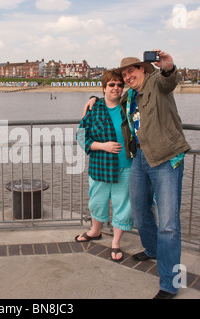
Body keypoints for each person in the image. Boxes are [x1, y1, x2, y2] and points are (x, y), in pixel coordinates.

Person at [83, 50, 191, 299]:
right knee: (139, 212)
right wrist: (93, 99)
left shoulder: (156, 82)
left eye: (132, 71)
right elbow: (110, 101)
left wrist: (169, 67)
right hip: (141, 158)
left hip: (166, 158)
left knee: (169, 225)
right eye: (124, 74)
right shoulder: (129, 96)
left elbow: (169, 80)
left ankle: (170, 283)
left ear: (143, 69)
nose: (127, 76)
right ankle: (152, 250)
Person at [74, 70, 133, 263]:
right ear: (104, 88)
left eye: (119, 85)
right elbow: (81, 136)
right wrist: (103, 146)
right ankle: (95, 231)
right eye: (111, 85)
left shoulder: (129, 107)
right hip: (100, 165)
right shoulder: (94, 109)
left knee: (122, 204)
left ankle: (115, 242)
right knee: (97, 201)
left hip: (126, 166)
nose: (116, 88)